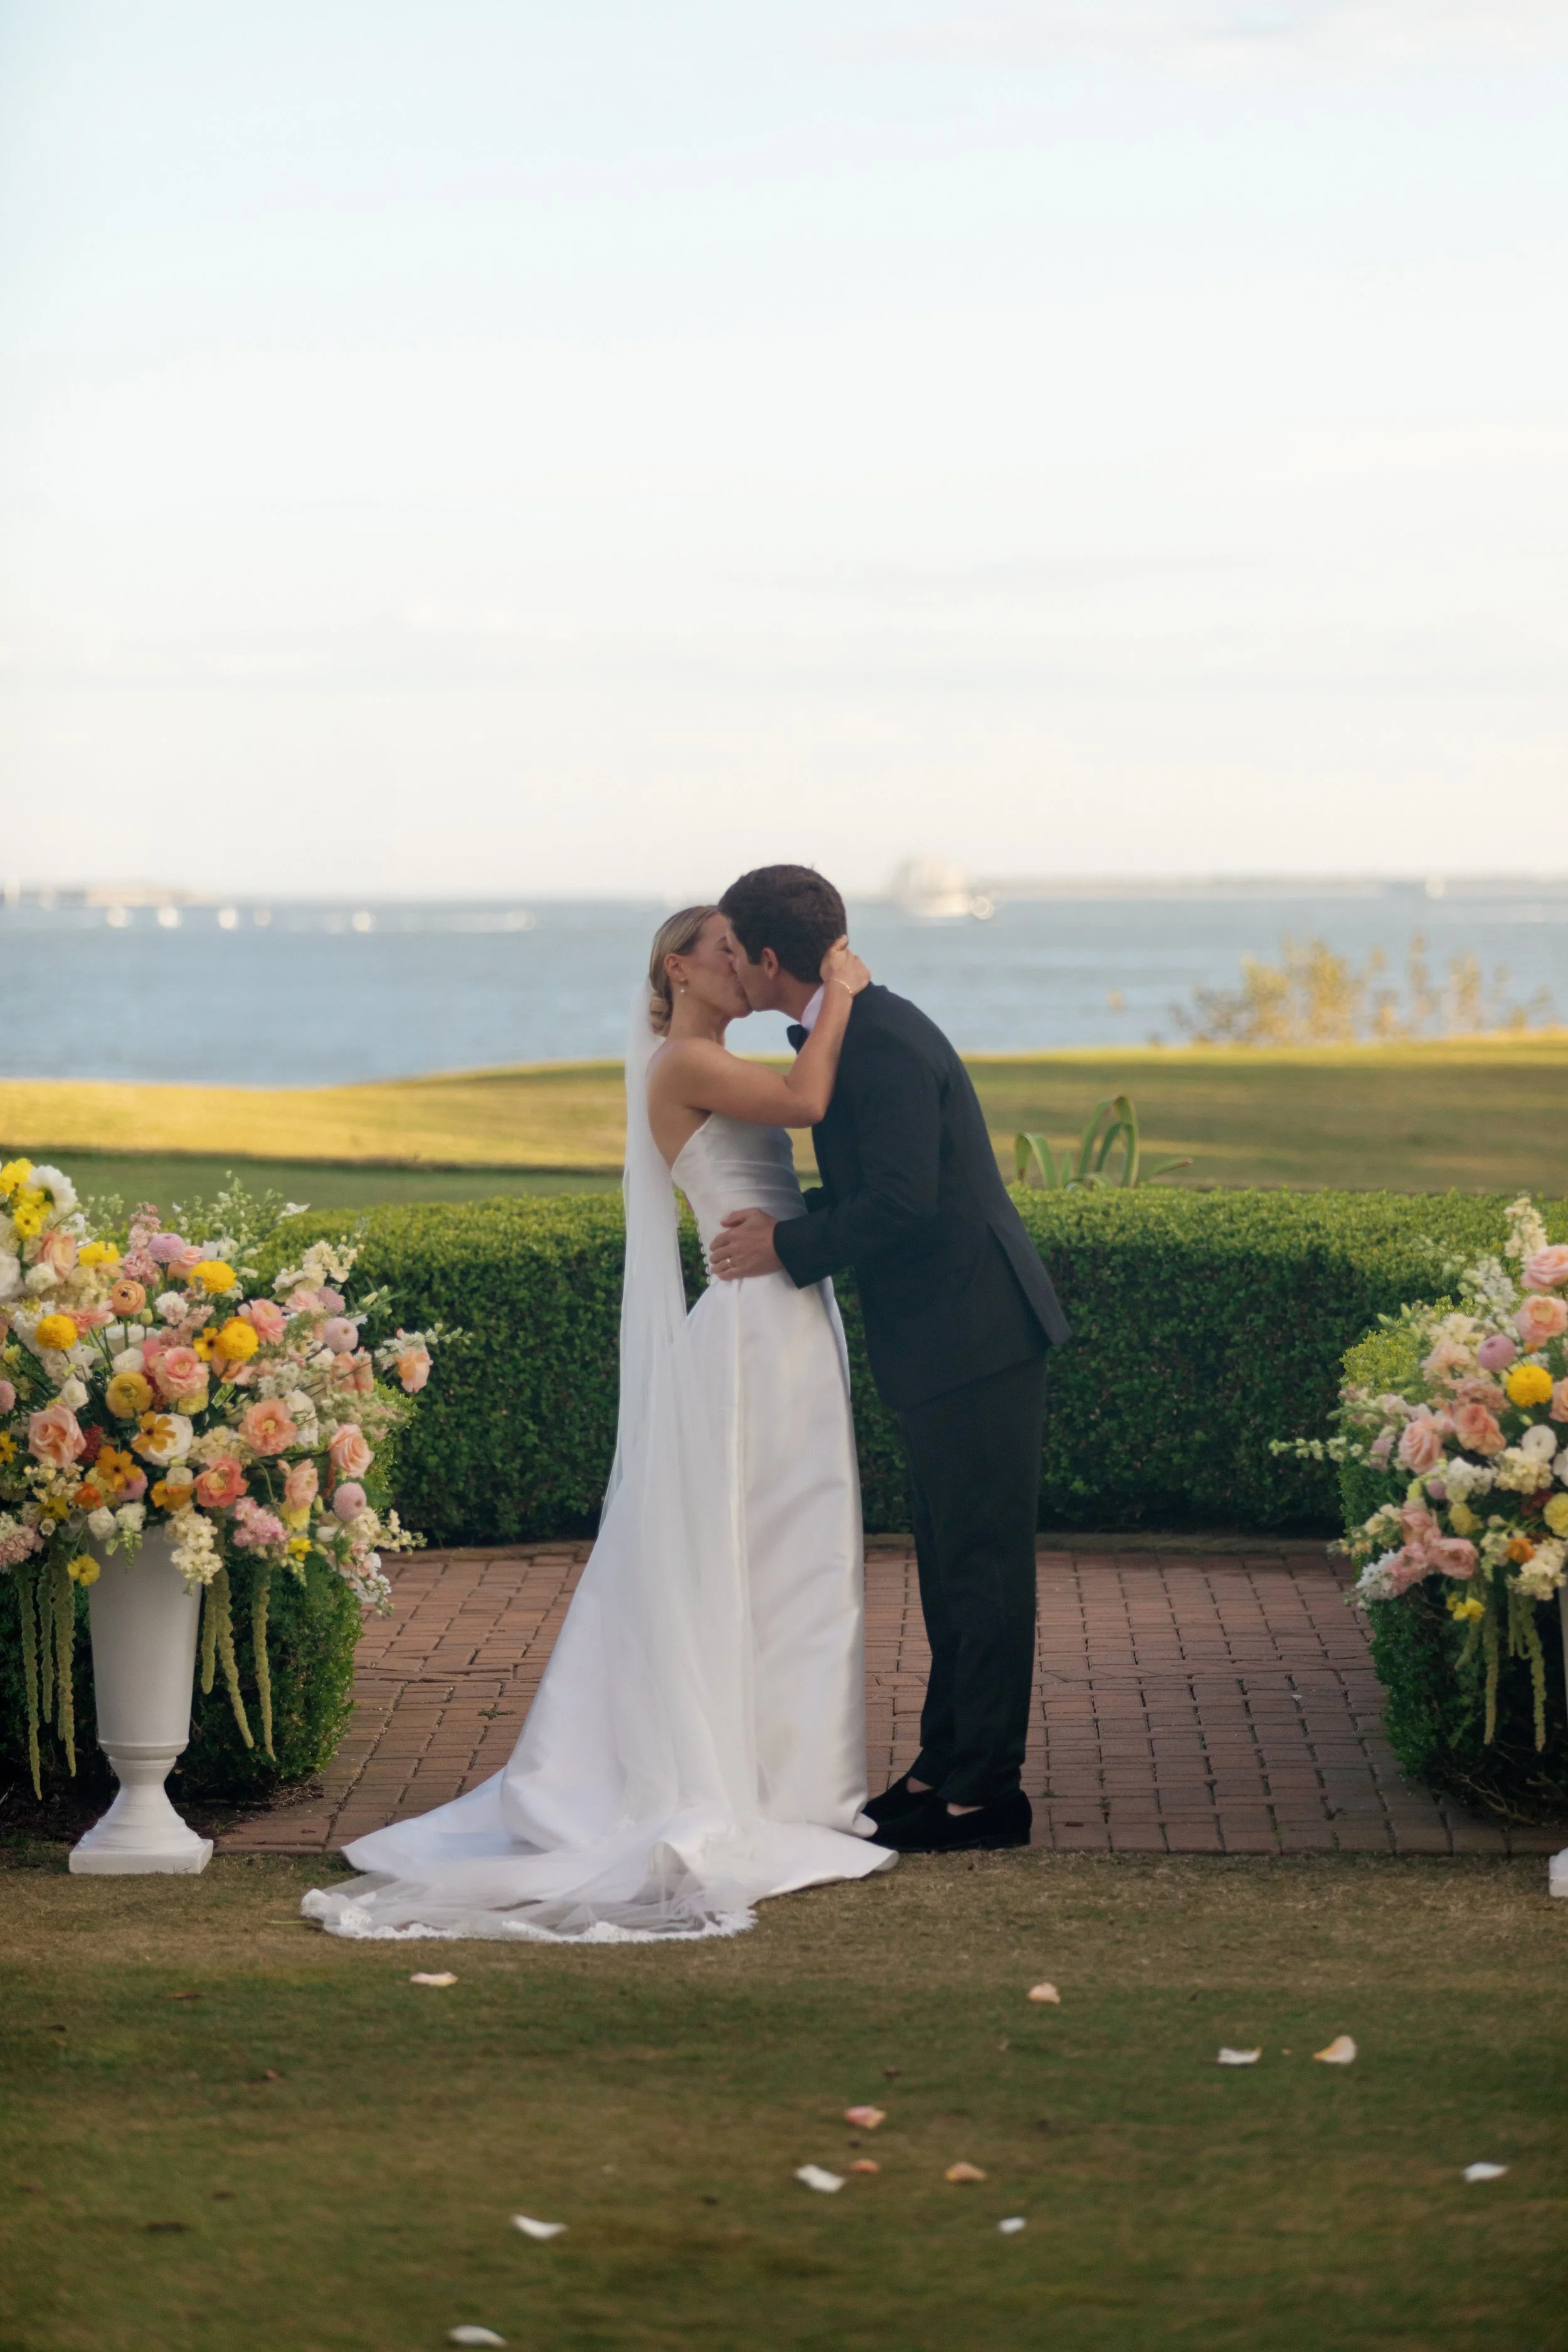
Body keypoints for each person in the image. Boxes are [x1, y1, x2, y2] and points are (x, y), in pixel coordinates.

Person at [302, 906, 893, 1942]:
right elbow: (806, 1100)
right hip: (753, 1327)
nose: (738, 958)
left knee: (793, 1550)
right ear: (679, 966)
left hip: (790, 1310)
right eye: (720, 946)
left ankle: (799, 1781)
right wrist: (842, 992)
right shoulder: (678, 1064)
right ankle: (748, 1783)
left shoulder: (711, 1053)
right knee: (747, 1547)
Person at [711, 864, 1072, 1853]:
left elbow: (904, 1201)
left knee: (985, 1571)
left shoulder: (884, 1041)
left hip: (979, 1336)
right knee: (953, 1570)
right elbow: (884, 1190)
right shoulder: (857, 1031)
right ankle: (939, 1768)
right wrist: (793, 1227)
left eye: (735, 952)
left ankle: (987, 1797)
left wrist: (784, 1247)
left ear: (770, 958)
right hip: (945, 1340)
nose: (731, 968)